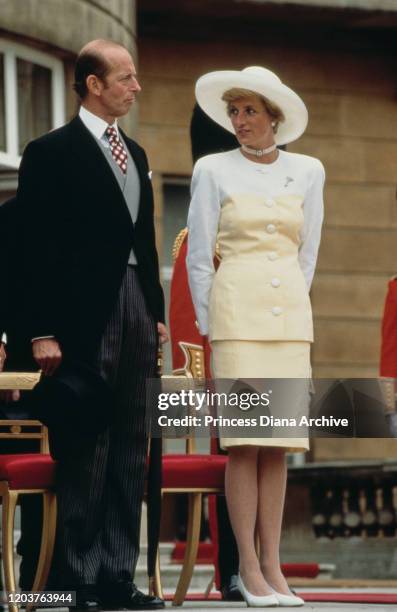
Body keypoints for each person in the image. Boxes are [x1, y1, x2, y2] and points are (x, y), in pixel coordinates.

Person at [8, 39, 168, 610]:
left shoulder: (140, 155)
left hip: (136, 308)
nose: (135, 86)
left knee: (131, 442)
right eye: (126, 77)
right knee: (88, 443)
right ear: (93, 84)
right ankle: (75, 576)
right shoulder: (50, 151)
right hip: (79, 317)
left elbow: (143, 244)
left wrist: (156, 313)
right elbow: (32, 249)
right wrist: (40, 329)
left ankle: (117, 576)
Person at [186, 66, 325, 607]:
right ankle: (246, 567)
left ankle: (274, 566)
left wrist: (286, 301)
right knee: (245, 443)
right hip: (235, 316)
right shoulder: (211, 169)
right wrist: (211, 324)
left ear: (275, 117)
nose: (239, 121)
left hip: (289, 318)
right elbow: (199, 259)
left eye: (249, 111)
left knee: (280, 445)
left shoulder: (310, 170)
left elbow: (307, 252)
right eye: (234, 112)